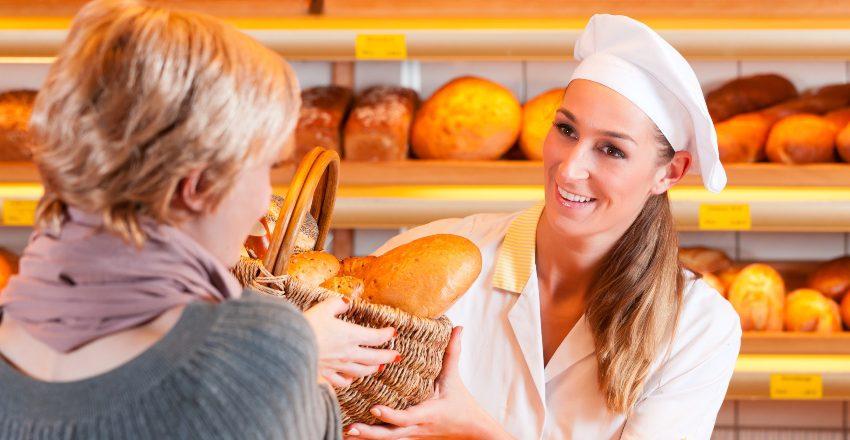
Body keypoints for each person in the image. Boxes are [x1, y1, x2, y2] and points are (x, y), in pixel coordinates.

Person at [0, 1, 397, 438]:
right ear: (196, 186)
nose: (265, 202)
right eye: (266, 168)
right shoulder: (260, 346)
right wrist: (294, 364)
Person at [347, 14, 741, 440]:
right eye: (566, 130)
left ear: (670, 173)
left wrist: (478, 433)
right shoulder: (427, 260)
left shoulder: (695, 326)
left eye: (611, 149)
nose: (570, 169)